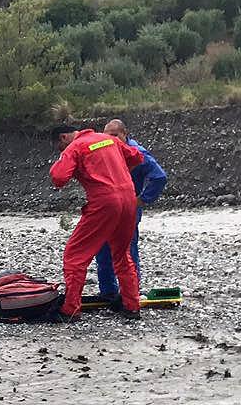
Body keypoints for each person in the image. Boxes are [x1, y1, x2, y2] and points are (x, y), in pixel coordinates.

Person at [49, 124, 147, 320]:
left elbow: (58, 178)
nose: (61, 150)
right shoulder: (109, 139)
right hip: (129, 199)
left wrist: (65, 159)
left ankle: (70, 309)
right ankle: (131, 305)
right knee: (122, 253)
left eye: (59, 147)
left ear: (63, 137)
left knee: (74, 255)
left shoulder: (75, 147)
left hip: (104, 202)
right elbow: (137, 157)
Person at [94, 119, 166, 305]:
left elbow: (159, 177)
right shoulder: (105, 151)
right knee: (103, 249)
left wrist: (142, 200)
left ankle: (131, 293)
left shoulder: (137, 152)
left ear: (125, 134)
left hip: (128, 209)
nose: (111, 139)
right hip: (108, 209)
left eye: (114, 135)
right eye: (107, 136)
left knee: (127, 251)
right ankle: (108, 291)